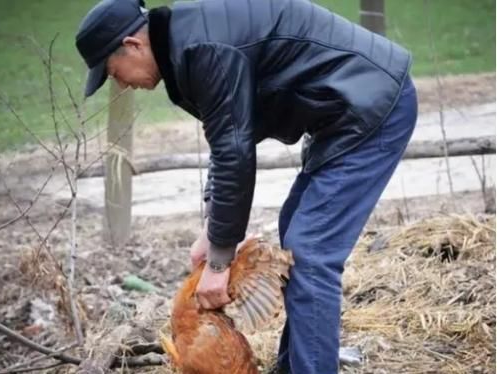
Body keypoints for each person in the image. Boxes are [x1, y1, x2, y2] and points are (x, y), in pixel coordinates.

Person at [75, 0, 418, 372]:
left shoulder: (203, 50)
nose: (120, 82)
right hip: (344, 110)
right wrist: (213, 228)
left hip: (372, 102)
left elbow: (234, 151)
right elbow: (228, 138)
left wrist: (220, 262)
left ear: (134, 45)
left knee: (312, 250)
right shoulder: (188, 46)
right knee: (297, 236)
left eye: (113, 71)